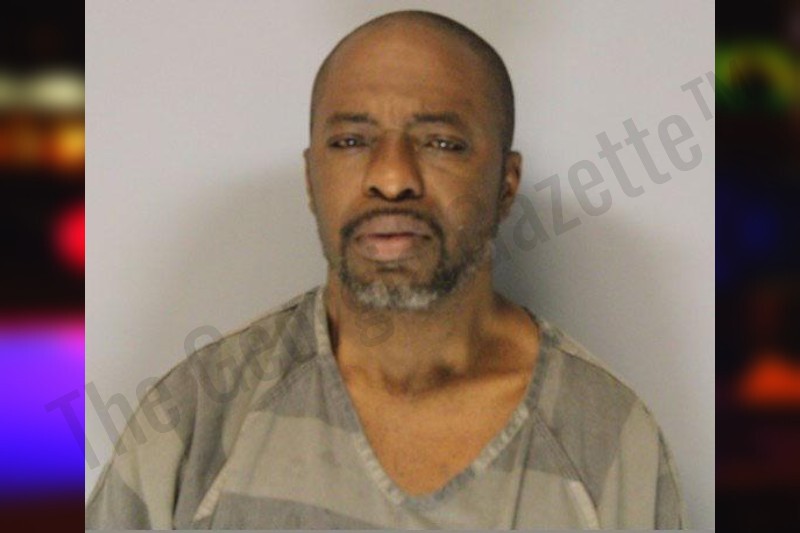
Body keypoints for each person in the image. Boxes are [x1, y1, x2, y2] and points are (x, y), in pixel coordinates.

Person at [85, 10, 687, 529]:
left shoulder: (607, 438)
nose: (392, 178)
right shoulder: (195, 419)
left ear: (506, 185)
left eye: (441, 142)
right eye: (351, 141)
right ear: (310, 178)